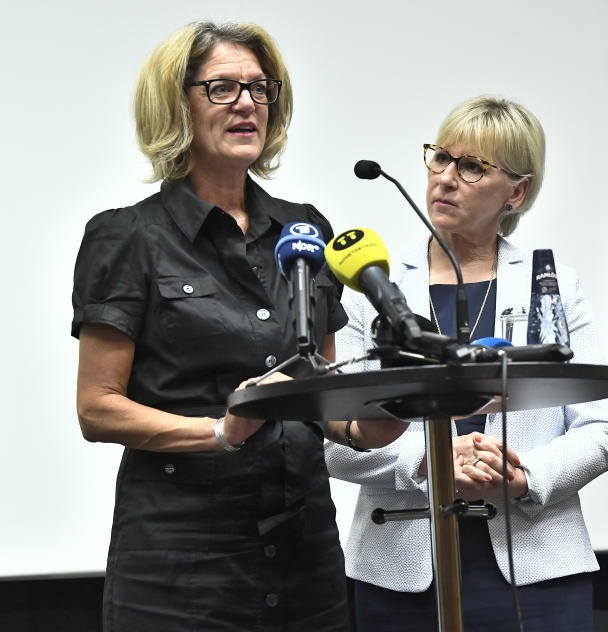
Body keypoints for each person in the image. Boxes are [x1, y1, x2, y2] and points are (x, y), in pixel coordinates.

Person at [71, 21, 406, 631]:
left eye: (260, 87)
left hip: (305, 557)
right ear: (178, 106)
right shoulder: (127, 238)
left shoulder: (304, 232)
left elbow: (322, 396)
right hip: (181, 564)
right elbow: (97, 409)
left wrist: (381, 419)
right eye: (222, 88)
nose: (249, 103)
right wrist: (220, 431)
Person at [325, 96, 608, 631]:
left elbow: (604, 430)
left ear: (516, 192)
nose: (444, 178)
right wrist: (431, 460)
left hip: (536, 567)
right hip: (399, 570)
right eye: (440, 158)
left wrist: (524, 476)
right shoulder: (370, 290)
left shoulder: (552, 288)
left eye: (471, 167)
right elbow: (332, 441)